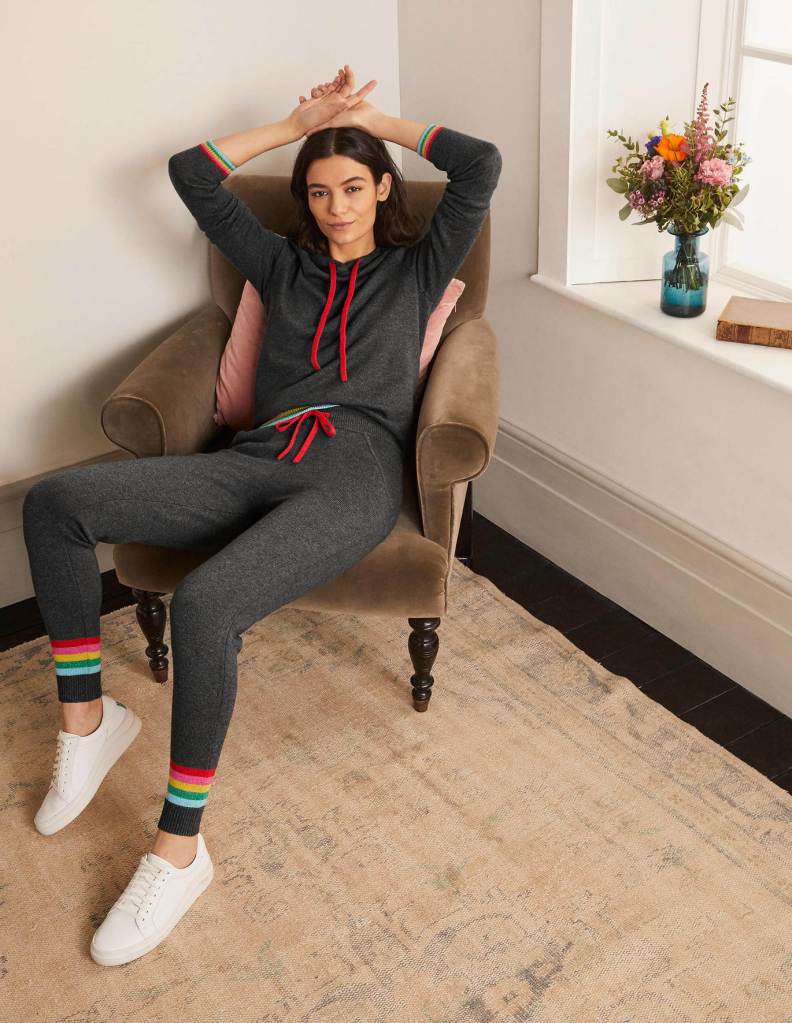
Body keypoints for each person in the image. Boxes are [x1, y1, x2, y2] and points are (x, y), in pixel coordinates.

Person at [21, 64, 502, 966]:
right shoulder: (281, 264)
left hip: (353, 473)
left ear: (382, 188)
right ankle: (87, 721)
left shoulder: (417, 267)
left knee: (208, 603)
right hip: (256, 456)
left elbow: (480, 165)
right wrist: (296, 126)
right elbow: (191, 174)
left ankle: (179, 850)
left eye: (352, 187)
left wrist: (372, 121)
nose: (335, 207)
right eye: (318, 192)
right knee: (55, 503)